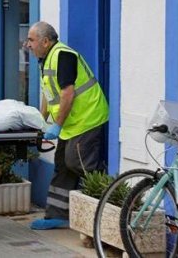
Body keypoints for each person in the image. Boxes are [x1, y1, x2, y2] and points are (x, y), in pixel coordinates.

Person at [24, 21, 109, 230]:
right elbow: (49, 94)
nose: (27, 44)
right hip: (72, 122)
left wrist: (57, 125)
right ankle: (58, 215)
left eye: (31, 40)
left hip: (87, 118)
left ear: (45, 41)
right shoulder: (45, 59)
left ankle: (102, 213)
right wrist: (40, 121)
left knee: (79, 163)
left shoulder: (63, 55)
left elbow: (67, 93)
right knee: (62, 165)